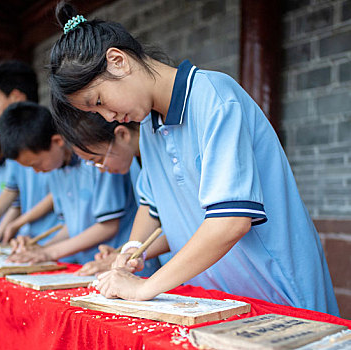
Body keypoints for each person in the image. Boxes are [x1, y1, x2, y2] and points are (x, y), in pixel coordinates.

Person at [46, 2, 339, 315]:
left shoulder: (214, 97)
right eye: (96, 113)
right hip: (223, 301)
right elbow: (153, 206)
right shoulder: (148, 126)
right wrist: (132, 249)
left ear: (118, 61)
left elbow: (231, 222)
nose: (110, 117)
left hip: (278, 293)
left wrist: (145, 287)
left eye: (100, 101)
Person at [0, 102, 155, 274]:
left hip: (132, 265)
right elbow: (71, 226)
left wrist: (50, 251)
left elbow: (108, 226)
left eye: (36, 163)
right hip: (98, 264)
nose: (37, 171)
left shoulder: (99, 158)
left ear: (57, 141)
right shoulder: (58, 170)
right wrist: (40, 248)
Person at [65, 117, 170, 276]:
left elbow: (183, 229)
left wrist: (129, 254)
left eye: (98, 160)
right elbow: (149, 211)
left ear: (122, 134)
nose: (101, 169)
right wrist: (125, 251)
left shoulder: (162, 152)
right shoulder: (137, 164)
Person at [0, 61, 60, 243]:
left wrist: (18, 222)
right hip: (29, 239)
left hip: (56, 239)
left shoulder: (48, 133)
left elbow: (58, 192)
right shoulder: (13, 141)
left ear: (15, 97)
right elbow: (11, 190)